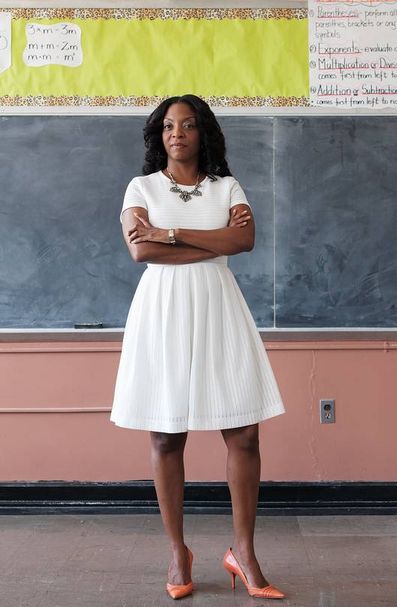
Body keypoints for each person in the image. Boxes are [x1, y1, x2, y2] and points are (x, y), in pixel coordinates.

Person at [110, 94, 285, 600]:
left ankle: (243, 552)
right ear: (158, 136)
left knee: (244, 433)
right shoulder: (140, 187)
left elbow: (244, 241)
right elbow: (140, 249)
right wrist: (208, 238)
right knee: (167, 436)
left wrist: (171, 233)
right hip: (162, 312)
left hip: (219, 307)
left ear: (203, 132)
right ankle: (178, 552)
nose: (177, 134)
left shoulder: (226, 186)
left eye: (187, 125)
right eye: (168, 126)